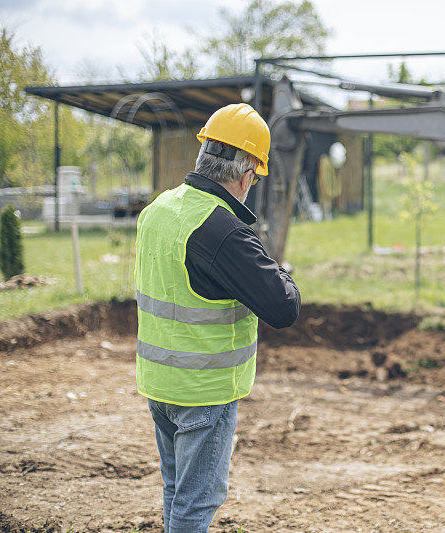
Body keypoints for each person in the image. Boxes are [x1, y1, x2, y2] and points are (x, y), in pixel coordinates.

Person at [135, 103, 300, 532]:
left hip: (160, 383)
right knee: (197, 501)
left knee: (176, 491)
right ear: (247, 174)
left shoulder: (158, 211)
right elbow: (284, 308)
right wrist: (280, 271)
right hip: (204, 391)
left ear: (203, 155)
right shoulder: (223, 231)